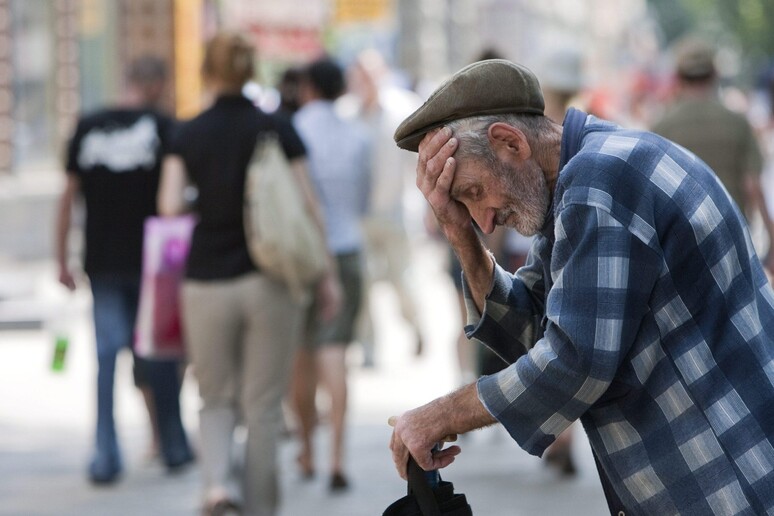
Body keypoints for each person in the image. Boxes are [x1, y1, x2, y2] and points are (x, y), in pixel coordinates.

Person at [387, 59, 774, 514]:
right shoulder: (576, 183)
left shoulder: (600, 183)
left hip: (733, 482)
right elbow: (533, 331)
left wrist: (439, 417)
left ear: (509, 143)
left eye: (474, 192)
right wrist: (459, 234)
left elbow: (572, 361)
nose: (485, 219)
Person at [157, 33, 339, 516]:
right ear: (251, 70)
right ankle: (262, 509)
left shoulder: (187, 133)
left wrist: (205, 198)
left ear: (207, 72)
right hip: (270, 282)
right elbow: (308, 205)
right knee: (261, 407)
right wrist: (326, 275)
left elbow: (169, 204)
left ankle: (218, 488)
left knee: (214, 396)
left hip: (206, 283)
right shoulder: (277, 127)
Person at [55, 55, 193, 484]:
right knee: (158, 355)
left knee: (105, 357)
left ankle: (105, 453)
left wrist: (61, 257)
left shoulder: (88, 124)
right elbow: (176, 201)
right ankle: (173, 444)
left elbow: (68, 196)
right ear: (158, 86)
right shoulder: (167, 128)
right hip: (153, 265)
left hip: (101, 262)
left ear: (128, 79)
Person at [289, 56, 372, 492]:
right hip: (347, 249)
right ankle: (338, 456)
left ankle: (306, 450)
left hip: (303, 256)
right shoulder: (357, 135)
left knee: (300, 356)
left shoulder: (294, 129)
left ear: (307, 87)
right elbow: (362, 201)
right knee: (336, 352)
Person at [652, 37, 774, 273]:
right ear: (715, 74)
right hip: (732, 238)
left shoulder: (662, 127)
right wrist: (771, 238)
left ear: (678, 76)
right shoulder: (737, 122)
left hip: (680, 245)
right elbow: (752, 186)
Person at [342, 49, 425, 364]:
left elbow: (419, 164)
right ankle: (368, 346)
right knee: (363, 284)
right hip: (360, 215)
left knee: (402, 280)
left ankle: (416, 325)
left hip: (396, 212)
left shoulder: (402, 108)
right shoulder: (347, 113)